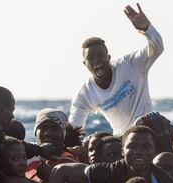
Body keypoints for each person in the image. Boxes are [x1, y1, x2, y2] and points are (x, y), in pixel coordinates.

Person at [69, 3, 164, 135]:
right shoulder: (85, 94)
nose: (97, 61)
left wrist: (147, 28)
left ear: (109, 58)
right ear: (85, 64)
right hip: (124, 140)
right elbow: (74, 130)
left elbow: (157, 48)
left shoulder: (131, 64)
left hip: (150, 131)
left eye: (101, 56)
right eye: (91, 58)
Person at [43, 125, 173, 183]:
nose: (139, 151)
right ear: (123, 151)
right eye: (132, 146)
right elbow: (60, 171)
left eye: (146, 146)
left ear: (154, 151)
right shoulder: (108, 172)